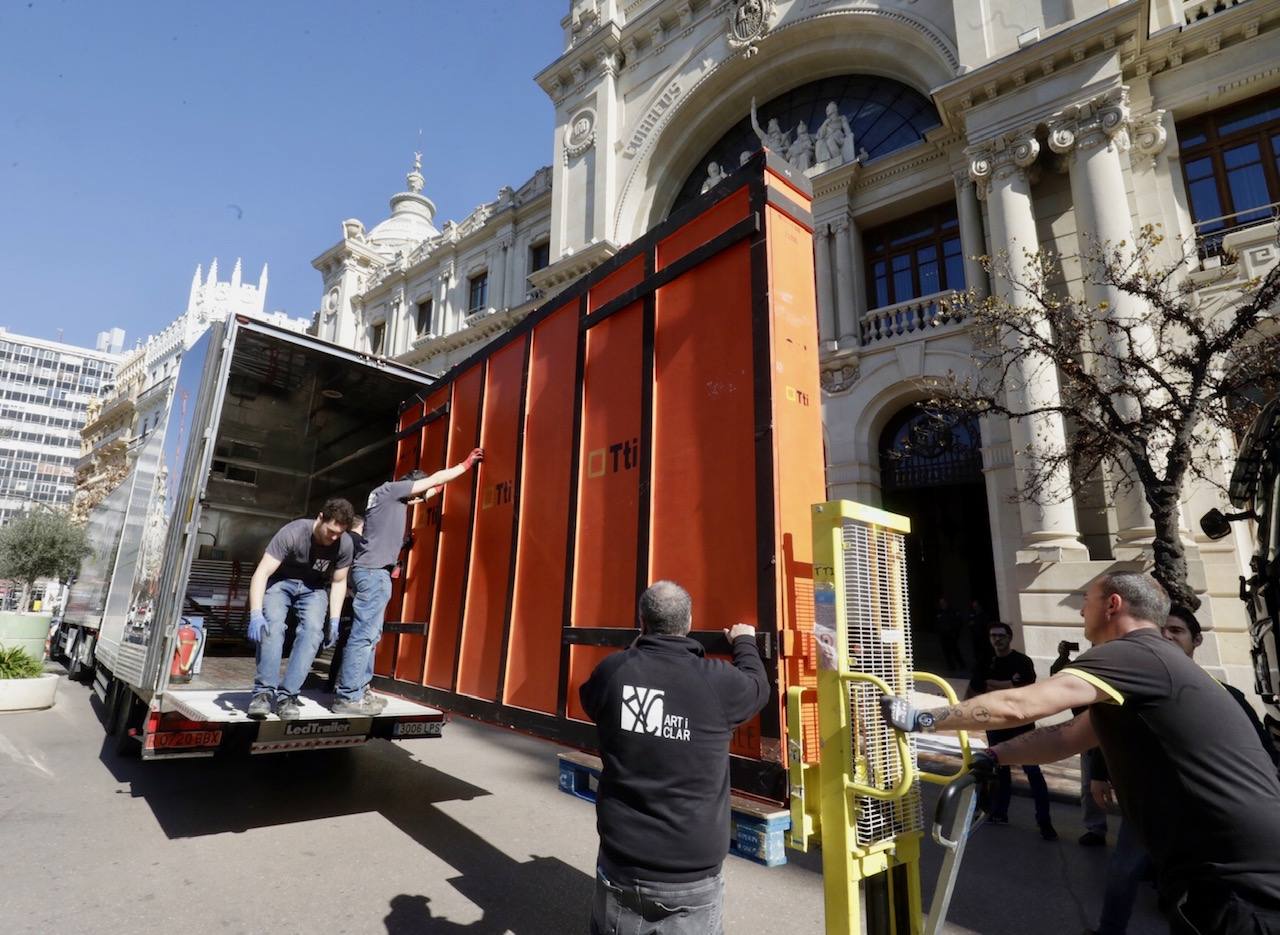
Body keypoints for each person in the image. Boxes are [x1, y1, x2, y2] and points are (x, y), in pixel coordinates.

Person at [881, 572, 1280, 934]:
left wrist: (920, 717)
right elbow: (1067, 737)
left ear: (1113, 605)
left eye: (1086, 600)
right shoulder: (1154, 664)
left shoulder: (1130, 654)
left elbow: (1024, 705)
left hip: (1234, 875)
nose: (1081, 612)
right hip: (1231, 864)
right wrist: (996, 757)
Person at [580, 580, 770, 935]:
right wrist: (744, 641)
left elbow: (590, 700)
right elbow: (758, 687)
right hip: (691, 876)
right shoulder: (717, 683)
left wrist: (635, 651)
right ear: (689, 622)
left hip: (623, 864)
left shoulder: (614, 672)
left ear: (641, 622)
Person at [331, 449, 483, 715]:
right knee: (364, 636)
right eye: (415, 491)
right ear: (408, 485)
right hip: (374, 572)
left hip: (372, 572)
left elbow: (428, 491)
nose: (416, 499)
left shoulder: (386, 497)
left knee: (370, 636)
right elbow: (433, 480)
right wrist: (466, 464)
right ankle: (347, 696)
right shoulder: (393, 490)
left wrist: (443, 485)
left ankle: (360, 691)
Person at [246, 498, 355, 720]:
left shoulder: (344, 544)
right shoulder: (293, 533)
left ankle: (288, 697)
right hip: (281, 582)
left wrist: (334, 619)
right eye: (331, 531)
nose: (334, 537)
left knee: (313, 632)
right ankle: (263, 695)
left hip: (314, 588)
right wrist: (256, 613)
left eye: (339, 533)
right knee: (272, 627)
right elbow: (262, 572)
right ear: (320, 518)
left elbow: (339, 581)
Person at [969, 621, 1056, 840]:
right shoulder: (985, 662)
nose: (997, 639)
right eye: (993, 636)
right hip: (996, 726)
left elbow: (1024, 691)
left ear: (1009, 637)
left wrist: (994, 686)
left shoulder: (1022, 662)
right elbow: (975, 690)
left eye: (1001, 635)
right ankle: (1000, 813)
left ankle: (1045, 822)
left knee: (1033, 773)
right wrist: (1006, 685)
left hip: (1022, 727)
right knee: (1000, 772)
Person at [1050, 640, 1109, 847]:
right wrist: (1062, 659)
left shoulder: (1118, 666)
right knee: (1088, 787)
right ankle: (1095, 829)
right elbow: (1058, 679)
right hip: (1090, 737)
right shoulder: (1085, 665)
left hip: (1114, 739)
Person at [934, 596, 965, 672]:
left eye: (943, 603)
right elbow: (937, 623)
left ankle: (962, 665)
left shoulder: (952, 611)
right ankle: (951, 667)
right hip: (943, 636)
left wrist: (955, 632)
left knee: (955, 651)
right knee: (946, 653)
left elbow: (959, 622)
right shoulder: (939, 612)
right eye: (941, 603)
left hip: (952, 635)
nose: (942, 604)